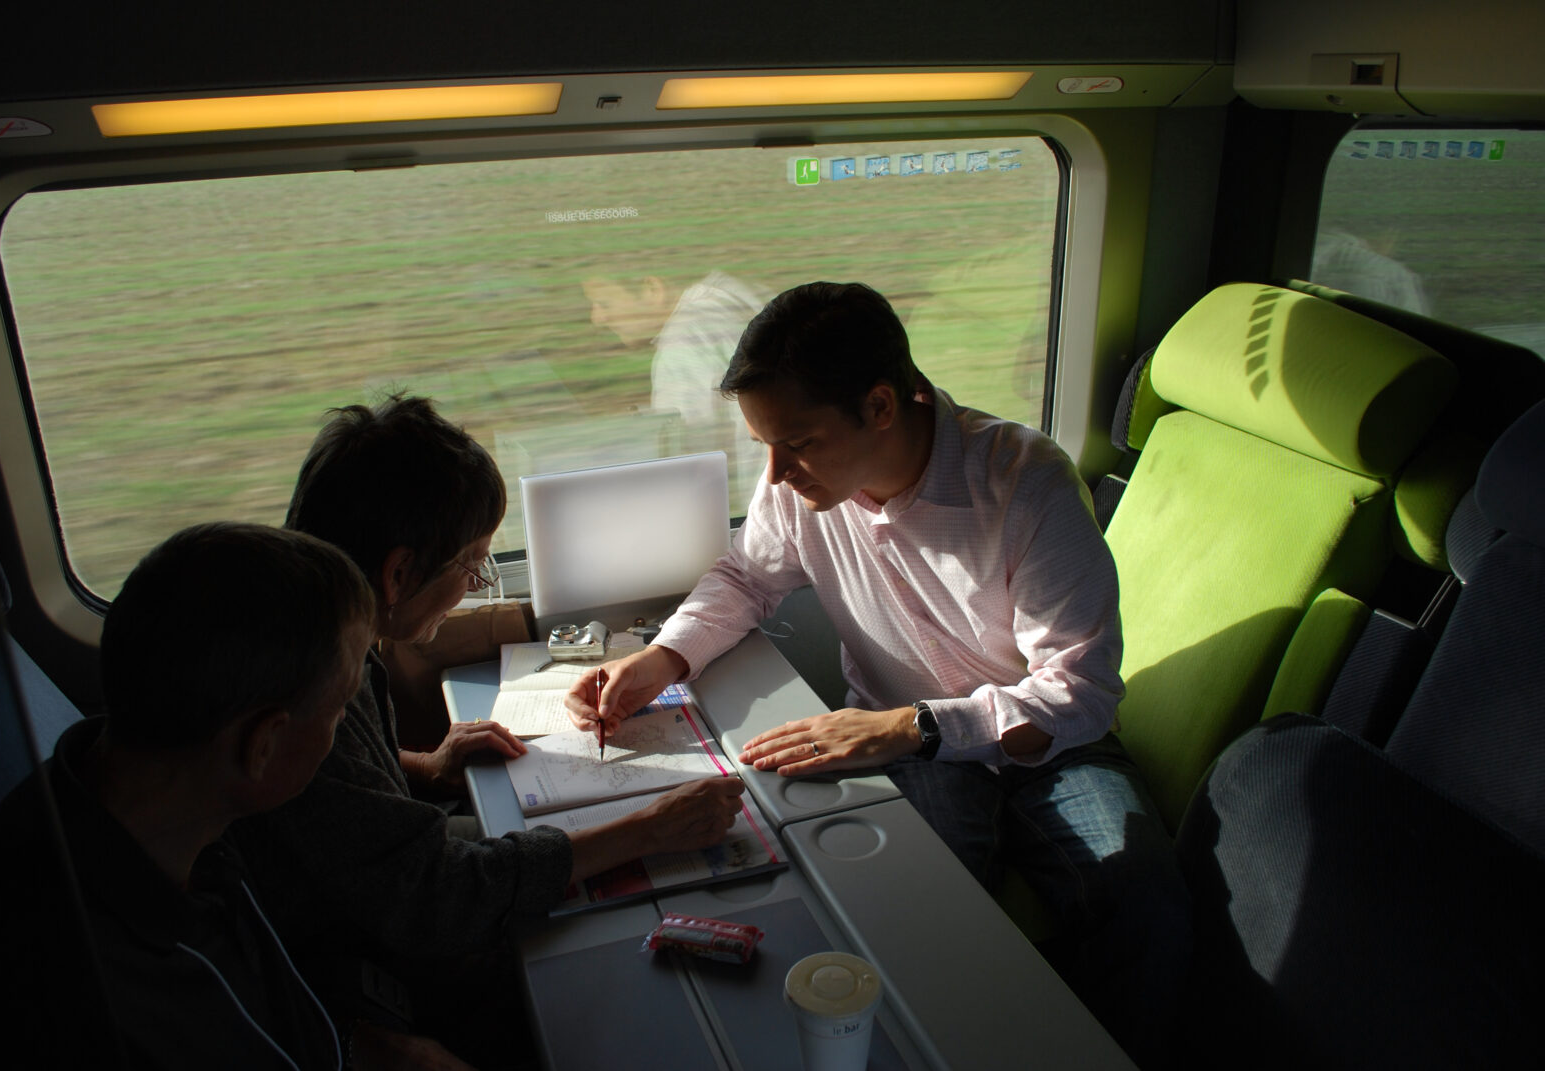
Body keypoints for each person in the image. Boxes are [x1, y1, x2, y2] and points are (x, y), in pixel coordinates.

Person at [566, 282, 1189, 1063]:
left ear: (882, 406)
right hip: (901, 744)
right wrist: (661, 657)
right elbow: (748, 577)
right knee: (911, 909)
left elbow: (1081, 688)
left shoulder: (1025, 483)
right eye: (763, 445)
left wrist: (914, 725)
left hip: (1044, 747)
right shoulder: (796, 484)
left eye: (795, 442)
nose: (776, 471)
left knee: (1148, 908)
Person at [232, 394, 744, 1060]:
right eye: (472, 566)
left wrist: (422, 764)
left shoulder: (321, 627)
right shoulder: (311, 681)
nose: (474, 585)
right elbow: (434, 894)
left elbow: (341, 803)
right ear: (397, 573)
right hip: (347, 959)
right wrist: (646, 830)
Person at [0, 523, 382, 1069]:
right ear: (263, 744)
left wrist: (350, 1046)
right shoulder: (92, 994)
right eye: (340, 707)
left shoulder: (144, 808)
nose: (343, 723)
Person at [583, 270, 768, 499]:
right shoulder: (729, 290)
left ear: (652, 290)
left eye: (604, 304)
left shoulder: (683, 343)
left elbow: (689, 461)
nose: (597, 318)